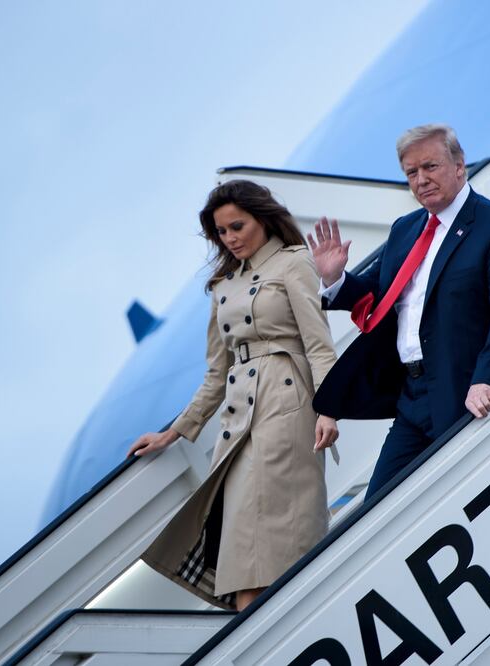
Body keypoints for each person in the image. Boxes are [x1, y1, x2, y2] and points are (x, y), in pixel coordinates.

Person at [129, 179, 340, 611]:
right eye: (221, 232)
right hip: (238, 422)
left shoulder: (292, 262)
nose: (230, 238)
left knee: (272, 546)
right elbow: (215, 373)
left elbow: (318, 345)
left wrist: (330, 409)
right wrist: (173, 432)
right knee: (244, 548)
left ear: (262, 218)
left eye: (237, 226)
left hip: (287, 409)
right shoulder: (223, 284)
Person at [309, 123, 490, 500]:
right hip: (412, 396)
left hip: (466, 388)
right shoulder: (406, 229)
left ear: (459, 166)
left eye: (430, 167)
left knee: (465, 498)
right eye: (411, 173)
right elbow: (376, 293)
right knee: (379, 508)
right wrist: (335, 278)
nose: (421, 180)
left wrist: (488, 376)